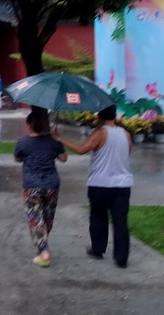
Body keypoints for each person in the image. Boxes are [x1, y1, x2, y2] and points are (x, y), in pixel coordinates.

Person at [53, 104, 134, 268]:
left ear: (100, 117)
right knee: (120, 221)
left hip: (101, 183)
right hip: (123, 184)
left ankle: (98, 248)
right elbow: (127, 153)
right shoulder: (126, 134)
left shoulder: (100, 132)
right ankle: (121, 257)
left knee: (98, 216)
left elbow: (82, 149)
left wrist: (59, 138)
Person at [14, 109, 68, 267]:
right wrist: (58, 140)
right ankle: (42, 244)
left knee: (35, 218)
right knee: (47, 218)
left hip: (31, 186)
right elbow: (64, 158)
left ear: (29, 125)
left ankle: (44, 251)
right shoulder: (52, 141)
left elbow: (17, 158)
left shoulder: (22, 142)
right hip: (52, 184)